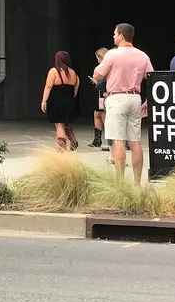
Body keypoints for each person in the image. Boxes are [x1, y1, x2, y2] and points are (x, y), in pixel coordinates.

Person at [93, 23, 153, 185]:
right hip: (135, 97)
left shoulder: (112, 55)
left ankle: (120, 183)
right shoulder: (143, 56)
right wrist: (147, 101)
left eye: (114, 34)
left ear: (121, 35)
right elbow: (152, 79)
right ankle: (136, 184)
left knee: (118, 140)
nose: (113, 36)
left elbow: (97, 75)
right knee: (135, 141)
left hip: (116, 97)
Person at [42, 50, 79, 151]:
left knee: (58, 124)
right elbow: (75, 90)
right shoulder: (74, 73)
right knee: (65, 123)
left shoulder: (54, 71)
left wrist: (44, 101)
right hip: (69, 101)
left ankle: (61, 149)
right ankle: (72, 138)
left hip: (56, 102)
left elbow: (48, 87)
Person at [88, 47, 109, 149]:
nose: (97, 60)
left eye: (98, 58)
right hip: (102, 94)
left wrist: (96, 81)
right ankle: (97, 139)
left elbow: (102, 81)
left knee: (104, 115)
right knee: (97, 113)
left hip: (106, 93)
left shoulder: (105, 67)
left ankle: (111, 141)